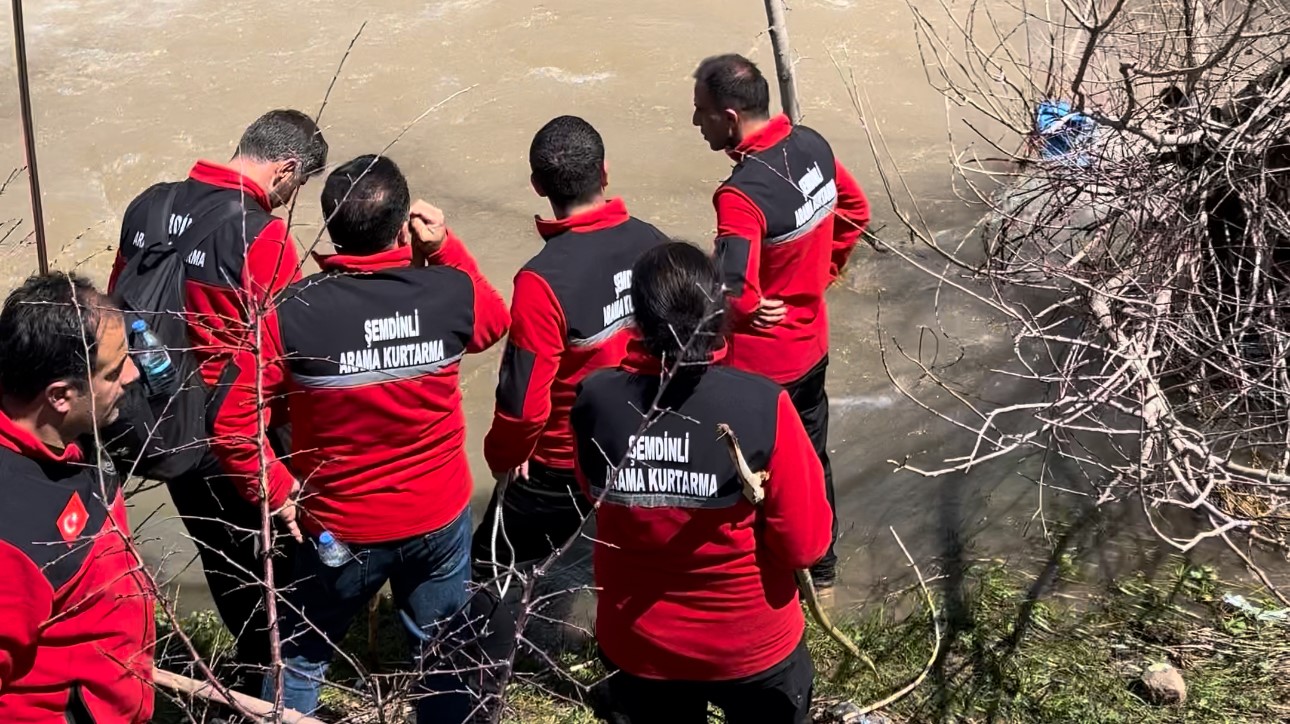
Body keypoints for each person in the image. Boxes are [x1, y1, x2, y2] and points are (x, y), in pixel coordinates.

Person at [209, 154, 510, 722]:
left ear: (329, 228)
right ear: (402, 227)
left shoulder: (290, 311)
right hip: (438, 517)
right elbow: (494, 324)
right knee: (444, 653)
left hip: (337, 529)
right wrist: (444, 246)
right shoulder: (446, 291)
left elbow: (229, 421)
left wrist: (278, 492)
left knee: (300, 658)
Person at [106, 108, 328, 689]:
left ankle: (253, 662)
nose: (289, 198)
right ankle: (274, 678)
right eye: (298, 185)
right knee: (274, 566)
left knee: (222, 560)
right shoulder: (265, 238)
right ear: (285, 169)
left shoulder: (146, 205)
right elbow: (290, 356)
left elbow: (114, 313)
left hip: (159, 418)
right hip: (238, 434)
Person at [570, 242, 832, 724]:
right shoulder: (762, 405)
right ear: (720, 310)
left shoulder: (596, 400)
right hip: (750, 645)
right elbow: (805, 545)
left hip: (639, 645)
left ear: (638, 318)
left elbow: (593, 493)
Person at [691, 53, 871, 589]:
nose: (695, 124)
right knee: (812, 460)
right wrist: (822, 273)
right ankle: (824, 570)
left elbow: (733, 291)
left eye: (700, 113)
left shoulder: (740, 196)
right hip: (812, 346)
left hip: (762, 367)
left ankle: (757, 579)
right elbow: (855, 210)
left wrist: (746, 309)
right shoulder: (813, 144)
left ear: (728, 117)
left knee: (750, 474)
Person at [476, 115, 668, 571]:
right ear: (604, 172)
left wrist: (505, 457)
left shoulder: (542, 280)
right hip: (648, 441)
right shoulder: (654, 243)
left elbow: (523, 404)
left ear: (537, 186)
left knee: (486, 569)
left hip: (564, 461)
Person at [0, 272, 154, 722]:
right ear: (61, 396)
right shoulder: (14, 537)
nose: (133, 374)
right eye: (114, 369)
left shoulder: (71, 431)